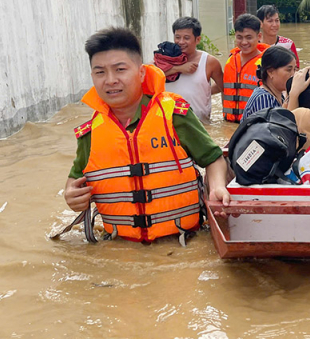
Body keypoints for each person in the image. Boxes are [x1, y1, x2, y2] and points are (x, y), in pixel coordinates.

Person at [62, 27, 231, 243]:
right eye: (100, 72)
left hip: (182, 242)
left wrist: (217, 187)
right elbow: (75, 180)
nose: (110, 80)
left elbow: (213, 157)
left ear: (141, 72)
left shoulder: (174, 115)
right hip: (119, 247)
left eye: (120, 69)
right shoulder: (90, 133)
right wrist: (71, 195)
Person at [159, 17, 223, 124]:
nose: (181, 42)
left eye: (186, 38)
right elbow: (148, 75)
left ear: (197, 40)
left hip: (199, 125)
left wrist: (205, 92)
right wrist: (177, 69)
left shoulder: (209, 62)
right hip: (169, 123)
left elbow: (224, 88)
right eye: (177, 37)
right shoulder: (163, 58)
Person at [223, 14, 269, 123]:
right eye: (239, 37)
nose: (244, 42)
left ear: (259, 37)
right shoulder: (231, 60)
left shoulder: (268, 62)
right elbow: (223, 85)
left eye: (249, 37)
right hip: (228, 123)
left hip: (255, 125)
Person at [241, 45, 297, 120]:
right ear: (270, 72)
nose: (293, 74)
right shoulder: (263, 98)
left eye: (294, 69)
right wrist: (294, 95)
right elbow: (273, 130)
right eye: (289, 70)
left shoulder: (280, 96)